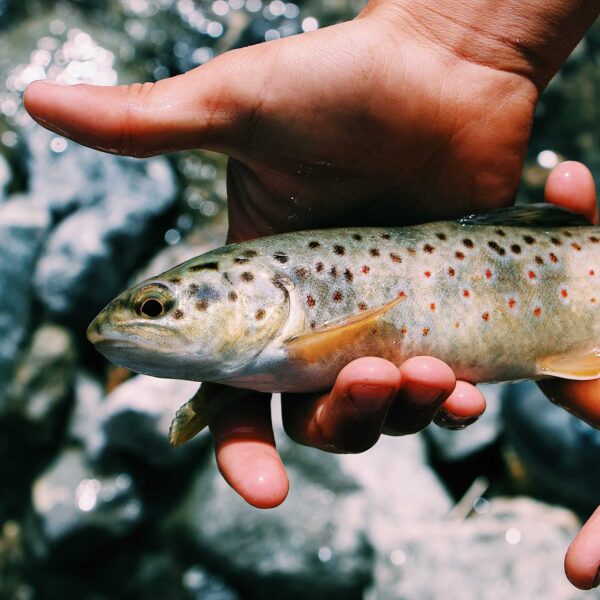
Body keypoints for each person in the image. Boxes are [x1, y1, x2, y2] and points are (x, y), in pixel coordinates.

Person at [24, 0, 600, 588]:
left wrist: (456, 42)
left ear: (259, 297)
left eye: (154, 308)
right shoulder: (247, 358)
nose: (126, 326)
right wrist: (462, 42)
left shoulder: (270, 344)